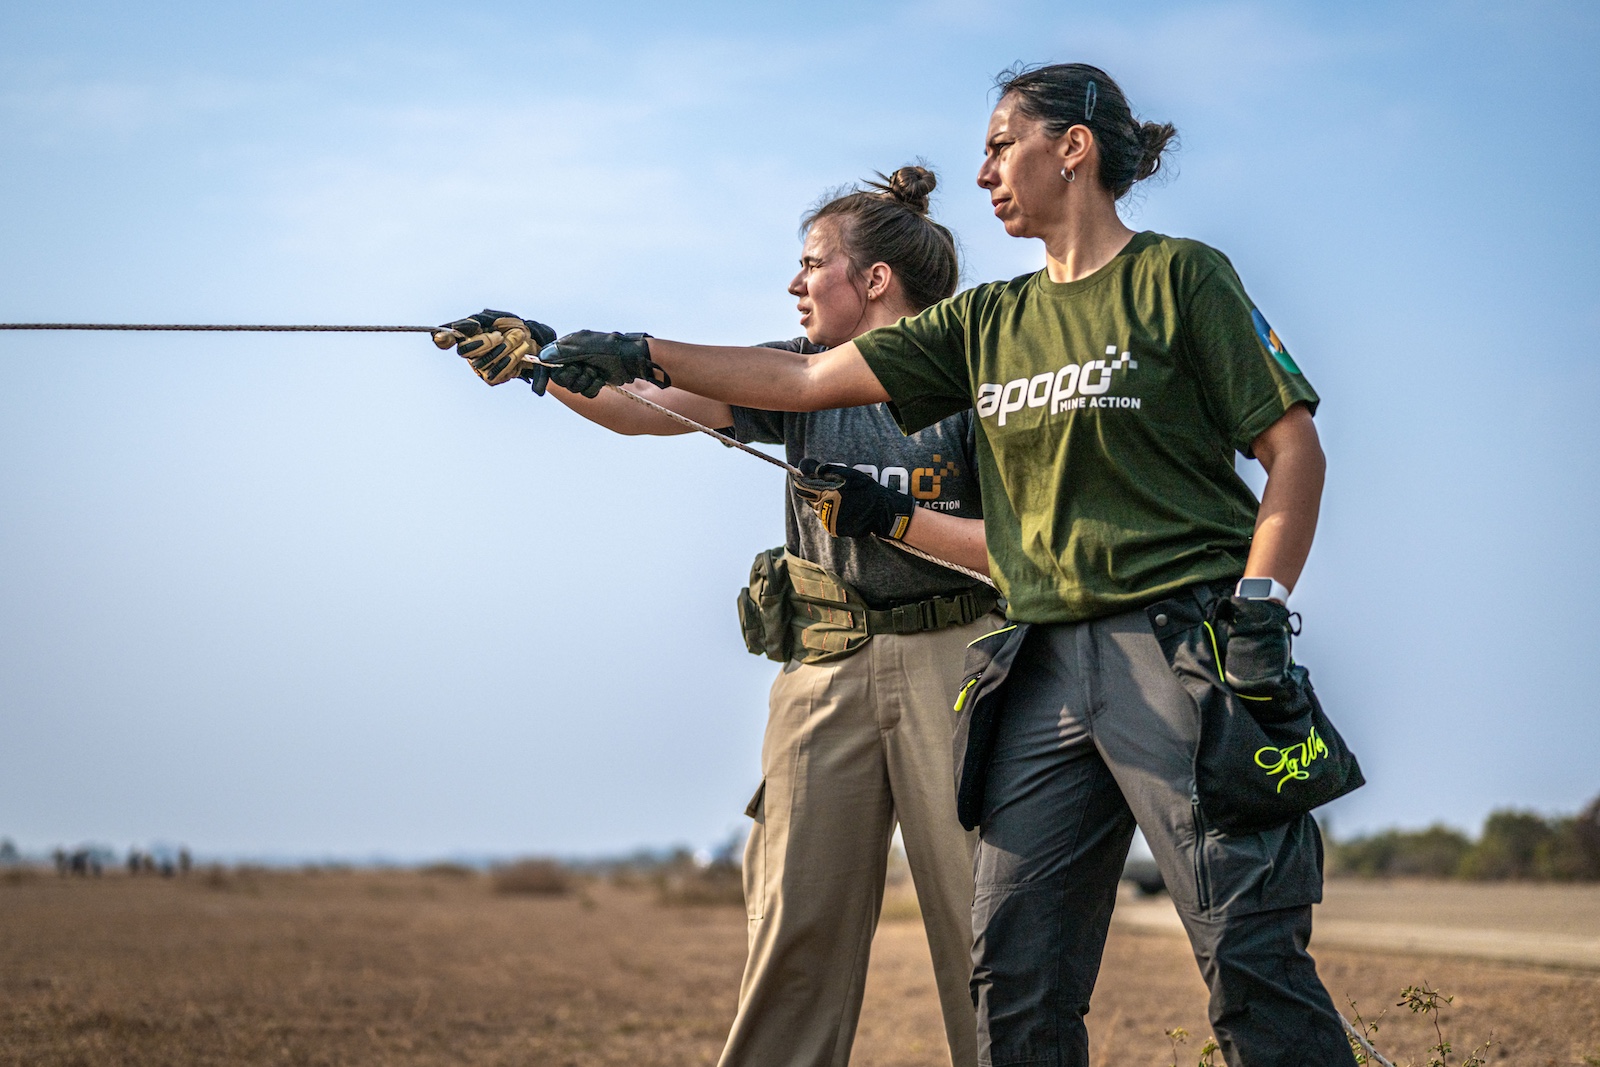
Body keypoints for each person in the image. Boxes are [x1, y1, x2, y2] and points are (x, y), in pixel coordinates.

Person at [523, 63, 1357, 1067]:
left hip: (1162, 643)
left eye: (1003, 143)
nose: (984, 170)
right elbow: (800, 375)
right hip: (1037, 666)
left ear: (1074, 146)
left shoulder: (1180, 277)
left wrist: (1261, 602)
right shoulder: (986, 319)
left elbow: (1291, 447)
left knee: (1244, 944)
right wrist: (616, 351)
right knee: (1011, 965)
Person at [440, 167, 1001, 1067]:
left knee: (992, 934)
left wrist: (892, 517)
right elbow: (649, 407)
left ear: (876, 281)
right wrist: (544, 367)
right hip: (824, 669)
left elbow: (1027, 546)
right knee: (793, 933)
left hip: (962, 665)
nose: (795, 282)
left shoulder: (981, 373)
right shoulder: (789, 374)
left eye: (813, 262)